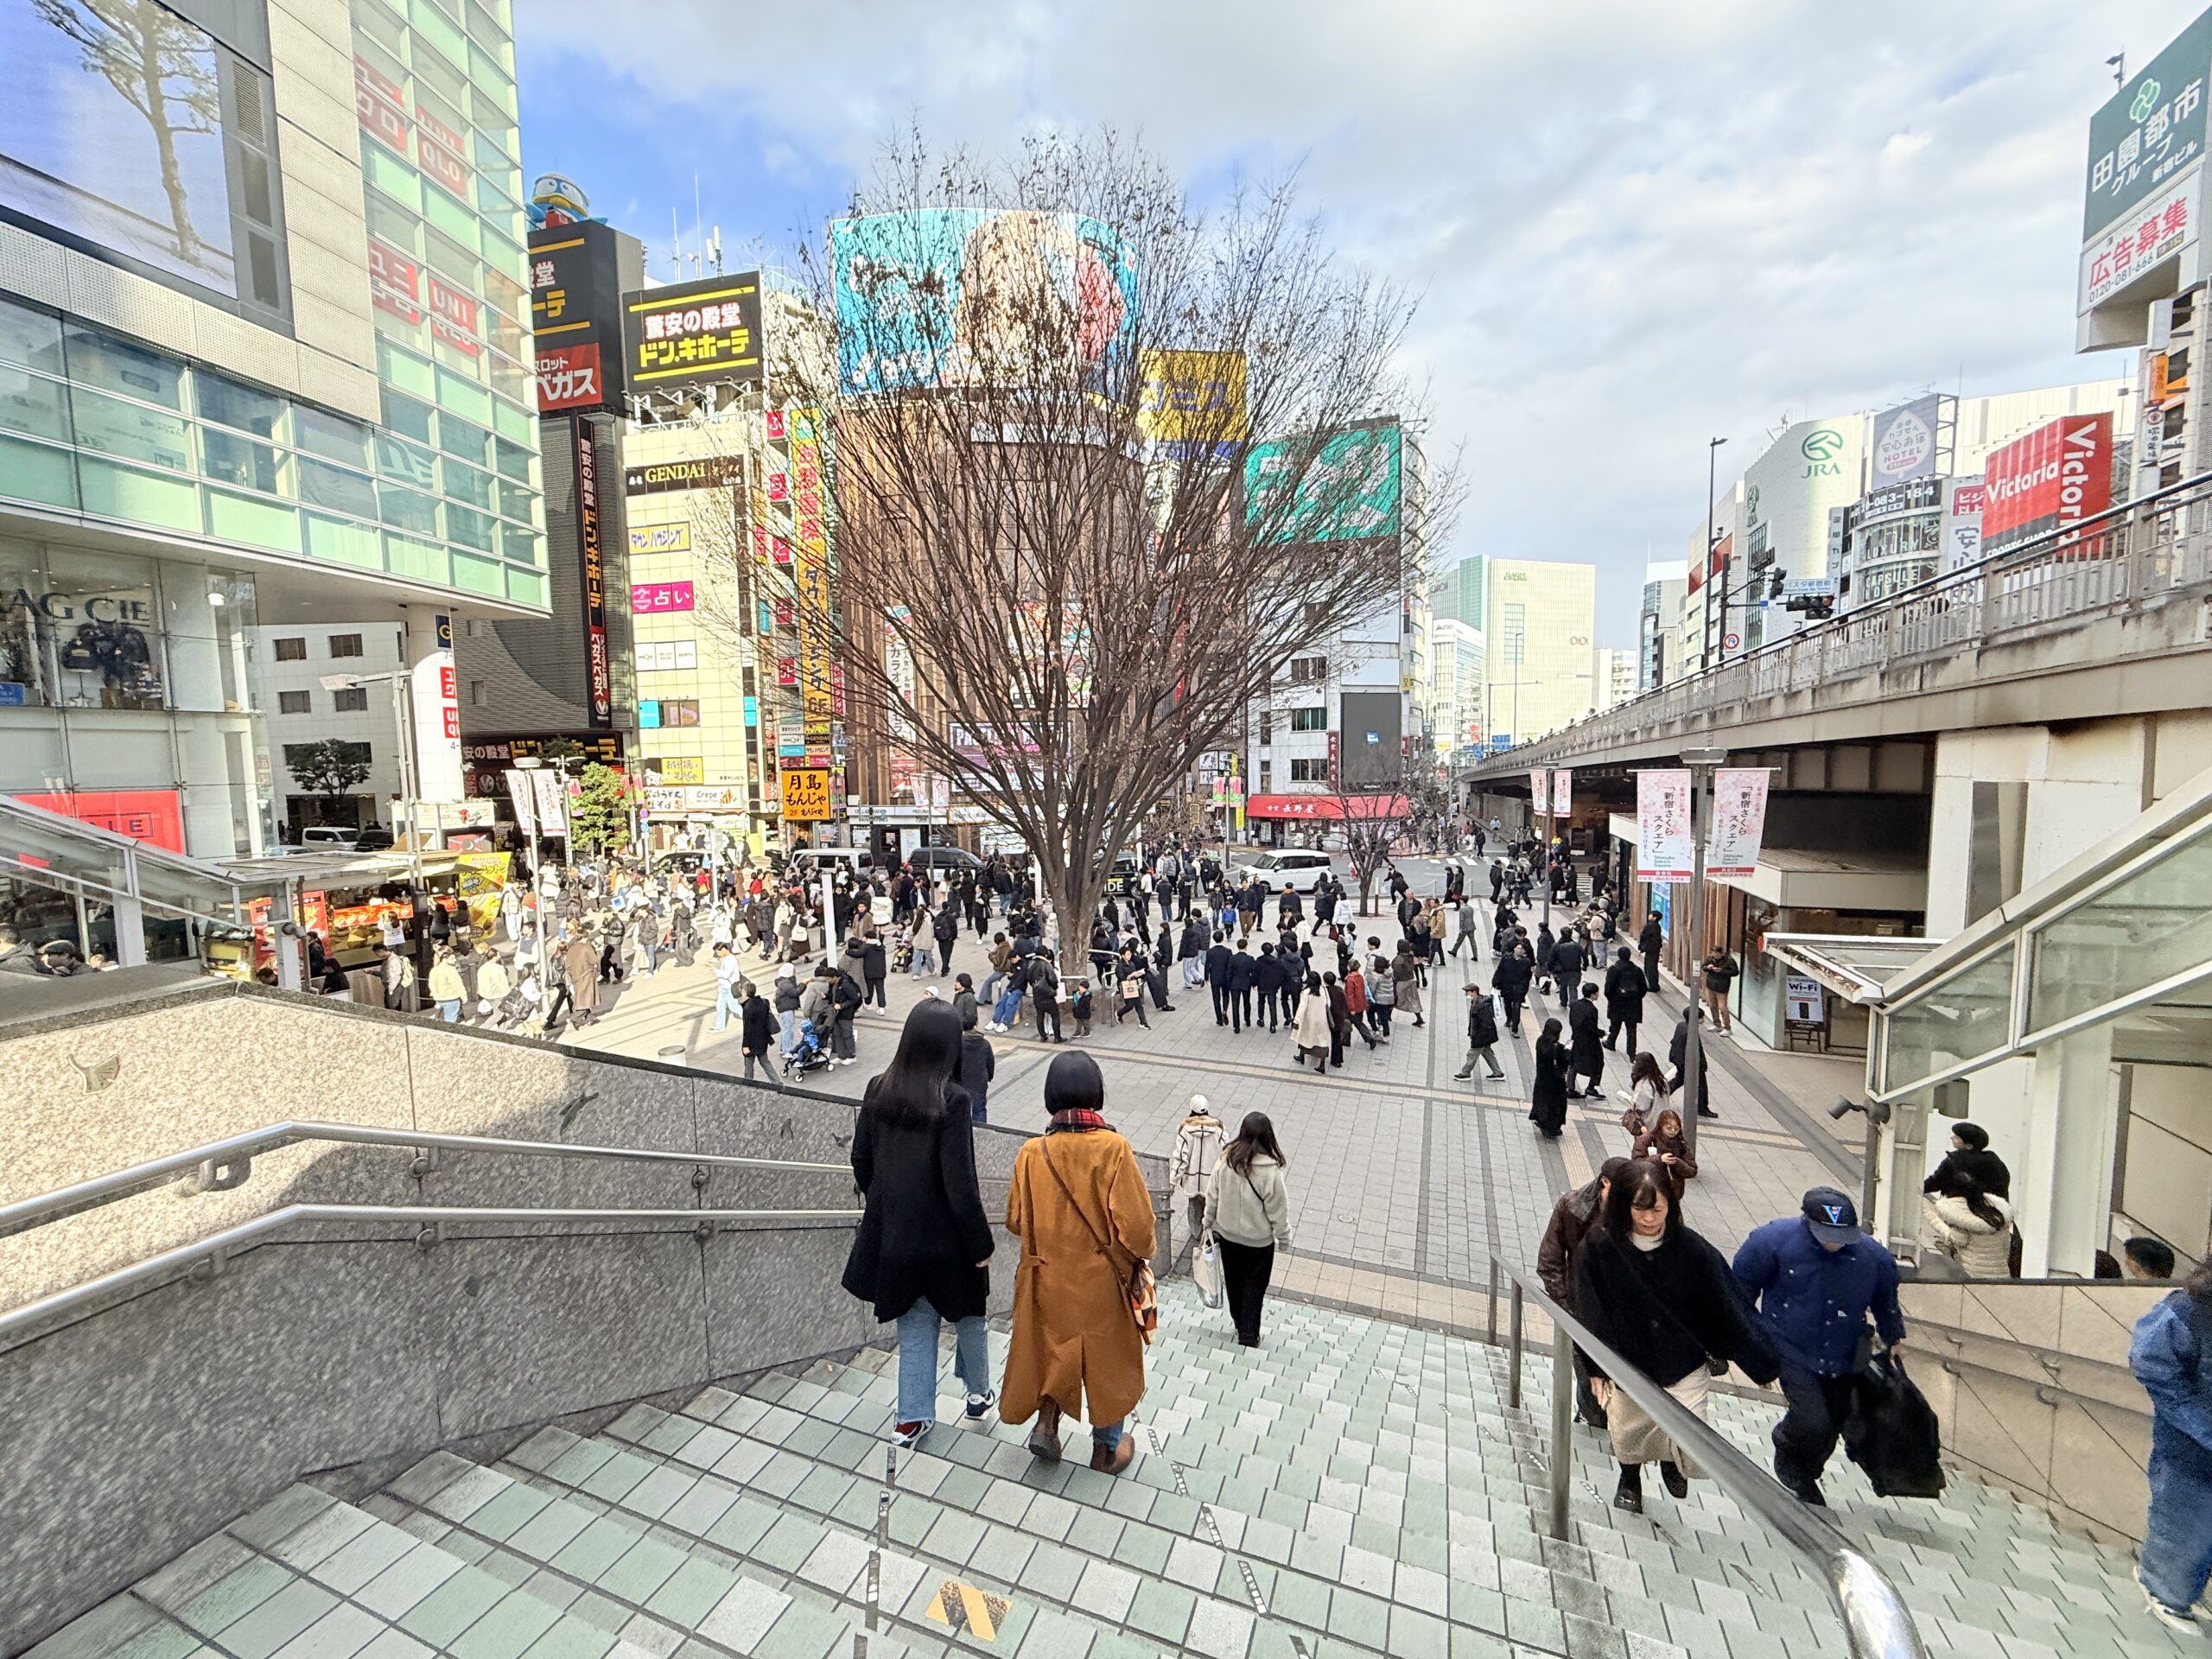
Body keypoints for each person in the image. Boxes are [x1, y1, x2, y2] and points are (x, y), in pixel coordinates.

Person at [1577, 1159, 1777, 1512]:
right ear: (1623, 1205)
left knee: (1688, 1428)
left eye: (1658, 1209)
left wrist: (1760, 1362)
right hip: (1629, 1359)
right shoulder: (1598, 1246)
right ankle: (1630, 1477)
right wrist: (1595, 1365)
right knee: (1629, 1428)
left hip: (1682, 1357)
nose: (1649, 1219)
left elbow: (1729, 1305)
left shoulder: (1691, 1249)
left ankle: (1672, 1462)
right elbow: (1589, 1309)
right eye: (1640, 1209)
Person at [841, 1000, 996, 1448]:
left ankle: (911, 1419)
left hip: (897, 1237)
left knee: (914, 1325)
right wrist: (981, 1244)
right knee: (969, 1316)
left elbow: (861, 1159)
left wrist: (889, 1203)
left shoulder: (878, 1088)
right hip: (949, 1242)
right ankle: (978, 1395)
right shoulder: (954, 1100)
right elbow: (960, 1183)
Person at [1001, 1050, 1155, 1474]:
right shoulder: (1113, 1148)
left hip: (1046, 1278)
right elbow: (1137, 1227)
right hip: (1102, 1281)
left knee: (1053, 1347)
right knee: (1109, 1362)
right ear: (1096, 1092)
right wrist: (1139, 1255)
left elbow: (1015, 1219)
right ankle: (1106, 1450)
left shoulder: (1032, 1152)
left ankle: (1047, 1424)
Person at [1732, 1187, 1905, 1505]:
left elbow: (1886, 1302)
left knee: (1833, 1423)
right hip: (1789, 1347)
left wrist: (1892, 1337)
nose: (1834, 1243)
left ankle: (1807, 1472)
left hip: (1845, 1350)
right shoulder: (1771, 1241)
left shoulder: (1874, 1258)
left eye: (1842, 1237)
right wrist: (1748, 1345)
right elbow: (1738, 1292)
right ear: (1806, 1220)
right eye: (1827, 1236)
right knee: (1813, 1417)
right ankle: (1787, 1447)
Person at [2128, 1257, 2212, 1630]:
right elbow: (2151, 1361)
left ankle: (2181, 1590)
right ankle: (2163, 1592)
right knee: (2186, 1526)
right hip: (2191, 1451)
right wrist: (2203, 1427)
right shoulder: (2189, 1308)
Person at [1537, 1155, 1632, 1427]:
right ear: (1604, 1184)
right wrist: (1567, 1309)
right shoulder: (1572, 1207)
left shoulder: (1635, 1211)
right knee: (1589, 1374)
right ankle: (1593, 1418)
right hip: (1581, 1308)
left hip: (1622, 1311)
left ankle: (1611, 1422)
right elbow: (1549, 1261)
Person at [1204, 1112, 1294, 1347]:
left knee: (1233, 1282)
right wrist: (1284, 1238)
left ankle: (1239, 1321)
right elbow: (1278, 1211)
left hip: (1228, 1236)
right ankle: (1249, 1334)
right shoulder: (1270, 1172)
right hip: (1259, 1243)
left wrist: (1208, 1220)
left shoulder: (1226, 1161)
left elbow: (1212, 1194)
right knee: (1255, 1287)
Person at [1918, 1172, 2013, 1276]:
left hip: (1974, 1275)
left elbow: (1958, 1240)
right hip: (2001, 1275)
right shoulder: (1997, 1212)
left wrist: (1931, 1217)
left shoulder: (1961, 1213)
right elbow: (2006, 1246)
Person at [1169, 1095, 1226, 1244]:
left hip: (1192, 1181)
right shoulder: (1218, 1131)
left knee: (1194, 1206)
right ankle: (1211, 1234)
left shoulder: (1185, 1131)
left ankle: (1196, 1234)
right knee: (1212, 1207)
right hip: (1211, 1180)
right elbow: (1226, 1156)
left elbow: (1181, 1159)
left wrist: (1173, 1181)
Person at [1920, 1122, 2011, 1201]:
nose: (1952, 1138)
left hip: (1965, 1207)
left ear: (1969, 1145)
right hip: (1996, 1208)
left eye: (1957, 1137)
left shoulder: (1955, 1161)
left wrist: (1917, 1188)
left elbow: (1935, 1182)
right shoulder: (1995, 1161)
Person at [1630, 1107, 1699, 1205]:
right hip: (1650, 1190)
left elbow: (1692, 1170)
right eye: (1669, 1128)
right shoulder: (1647, 1139)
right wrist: (1659, 1159)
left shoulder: (1681, 1143)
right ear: (1661, 1126)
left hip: (1673, 1194)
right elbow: (1637, 1162)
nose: (1672, 1131)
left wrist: (1677, 1162)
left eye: (1676, 1129)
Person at [1668, 1005, 1719, 1121]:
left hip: (1682, 1063)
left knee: (1678, 1081)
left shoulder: (1681, 1026)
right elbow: (1693, 1050)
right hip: (1691, 1065)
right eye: (1701, 1018)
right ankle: (1702, 1108)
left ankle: (1661, 1095)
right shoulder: (1690, 1032)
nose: (1703, 1020)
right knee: (1701, 1087)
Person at [1455, 982, 1506, 1081]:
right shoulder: (1478, 1002)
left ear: (1474, 992)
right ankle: (1498, 1073)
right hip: (1484, 1035)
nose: (1466, 994)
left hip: (1481, 1036)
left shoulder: (1480, 1006)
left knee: (1472, 1054)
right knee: (1487, 1053)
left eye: (1468, 992)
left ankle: (1465, 1073)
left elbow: (1484, 1023)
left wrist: (1476, 1036)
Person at [1529, 1017, 1569, 1139]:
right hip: (1555, 1082)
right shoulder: (1556, 1048)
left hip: (1542, 1079)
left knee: (1542, 1101)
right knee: (1556, 1105)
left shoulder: (1541, 1041)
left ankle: (1541, 1120)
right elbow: (1564, 1062)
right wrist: (1568, 1050)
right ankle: (1552, 1127)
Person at [1603, 946, 1647, 1054]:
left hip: (1617, 1002)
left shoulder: (1614, 969)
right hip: (1633, 1004)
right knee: (1631, 1028)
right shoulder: (1637, 970)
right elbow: (1643, 988)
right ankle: (1631, 1051)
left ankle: (1611, 1042)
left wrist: (1611, 998)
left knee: (1615, 1024)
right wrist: (1636, 997)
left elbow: (1608, 988)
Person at [956, 1006, 996, 1123]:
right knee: (980, 1109)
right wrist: (989, 1077)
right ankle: (981, 1130)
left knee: (962, 1111)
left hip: (962, 1082)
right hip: (979, 1083)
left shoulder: (958, 1044)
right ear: (976, 1026)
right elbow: (990, 1064)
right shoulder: (985, 1044)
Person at [1567, 982, 1604, 1098]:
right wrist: (1602, 1033)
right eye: (1597, 993)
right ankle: (1591, 1087)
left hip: (1576, 1038)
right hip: (1589, 1042)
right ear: (1592, 995)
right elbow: (1592, 1028)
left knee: (1573, 1062)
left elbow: (1572, 1022)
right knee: (1598, 1062)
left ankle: (1570, 1087)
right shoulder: (1592, 1010)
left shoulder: (1574, 1004)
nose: (1598, 995)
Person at [739, 981, 779, 1085]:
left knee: (749, 1063)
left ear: (745, 993)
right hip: (763, 1039)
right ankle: (777, 1082)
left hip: (752, 1042)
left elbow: (747, 1028)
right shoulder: (763, 1002)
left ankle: (748, 1083)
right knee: (764, 1061)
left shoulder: (748, 1007)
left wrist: (745, 1045)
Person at [1293, 971, 1332, 1075]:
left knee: (1305, 1038)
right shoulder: (1323, 990)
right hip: (1322, 1020)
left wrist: (1297, 1020)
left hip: (1309, 1021)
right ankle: (1322, 1064)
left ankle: (1301, 1056)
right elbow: (1328, 1003)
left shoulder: (1307, 992)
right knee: (1322, 1042)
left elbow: (1302, 1008)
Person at [1622, 1052, 1668, 1139]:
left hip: (1648, 1127)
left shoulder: (1644, 1085)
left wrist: (1624, 1097)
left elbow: (1641, 1106)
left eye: (1635, 1063)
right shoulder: (1662, 1081)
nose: (1633, 1066)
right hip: (1663, 1122)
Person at [1491, 939, 1532, 1038]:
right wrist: (1495, 982)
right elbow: (1500, 970)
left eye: (1522, 949)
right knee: (1507, 1005)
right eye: (1518, 948)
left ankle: (1515, 1028)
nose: (1520, 951)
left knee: (1516, 1007)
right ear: (1514, 948)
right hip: (1507, 986)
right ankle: (1509, 1018)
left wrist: (1524, 988)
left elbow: (1528, 976)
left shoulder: (1526, 962)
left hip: (1518, 988)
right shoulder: (1506, 958)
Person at [1700, 947, 1738, 1034]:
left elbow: (1735, 972)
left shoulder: (1729, 961)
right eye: (1714, 953)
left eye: (1717, 954)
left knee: (1722, 1007)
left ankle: (1727, 1027)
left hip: (1722, 987)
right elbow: (1703, 966)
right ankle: (1717, 1024)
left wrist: (1722, 971)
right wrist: (1708, 968)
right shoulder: (1710, 958)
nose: (1715, 955)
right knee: (1713, 1006)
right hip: (1711, 985)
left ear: (1721, 953)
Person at [710, 943, 745, 1033]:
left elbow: (726, 975)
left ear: (724, 950)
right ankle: (719, 1026)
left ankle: (752, 1020)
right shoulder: (725, 958)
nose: (718, 954)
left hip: (729, 987)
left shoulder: (731, 960)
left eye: (718, 952)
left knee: (734, 1007)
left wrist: (715, 970)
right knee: (720, 1006)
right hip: (723, 987)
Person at [1205, 931, 1235, 1027]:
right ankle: (1225, 1010)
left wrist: (1206, 977)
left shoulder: (1210, 952)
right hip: (1225, 977)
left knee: (1216, 997)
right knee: (1226, 995)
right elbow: (1231, 965)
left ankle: (1219, 1019)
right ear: (1223, 938)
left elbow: (1207, 965)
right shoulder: (1228, 951)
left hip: (1215, 977)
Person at [1638, 912, 1663, 997]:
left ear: (1655, 917)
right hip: (1654, 950)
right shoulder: (1656, 926)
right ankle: (1654, 984)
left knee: (1650, 968)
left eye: (1651, 915)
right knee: (1652, 967)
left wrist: (1642, 947)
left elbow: (1644, 936)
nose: (1649, 915)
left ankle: (1653, 985)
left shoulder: (1651, 926)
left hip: (1651, 950)